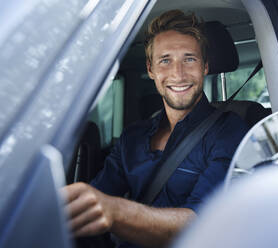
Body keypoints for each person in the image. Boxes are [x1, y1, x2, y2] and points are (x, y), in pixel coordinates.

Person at [63, 9, 249, 248]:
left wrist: (114, 210)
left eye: (189, 59)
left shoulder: (229, 132)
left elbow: (202, 223)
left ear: (205, 66)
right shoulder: (132, 137)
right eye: (165, 60)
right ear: (151, 70)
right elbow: (95, 199)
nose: (178, 74)